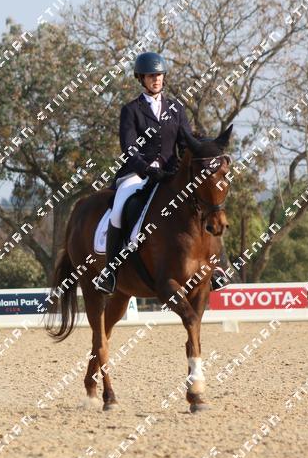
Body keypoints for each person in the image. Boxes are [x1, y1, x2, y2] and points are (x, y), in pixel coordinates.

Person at [94, 52, 228, 294]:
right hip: (137, 174)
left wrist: (201, 153)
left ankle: (217, 267)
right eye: (150, 76)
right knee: (120, 205)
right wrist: (146, 169)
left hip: (170, 173)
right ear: (141, 79)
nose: (155, 79)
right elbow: (129, 147)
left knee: (207, 204)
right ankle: (110, 272)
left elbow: (185, 143)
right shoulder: (131, 110)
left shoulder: (176, 108)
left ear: (164, 77)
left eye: (158, 75)